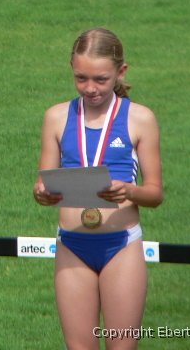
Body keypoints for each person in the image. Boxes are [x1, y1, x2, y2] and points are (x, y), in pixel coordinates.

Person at [33, 27, 163, 349]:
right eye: (81, 78)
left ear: (121, 72)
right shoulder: (56, 117)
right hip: (71, 244)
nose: (90, 88)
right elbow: (43, 184)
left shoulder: (140, 118)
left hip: (121, 245)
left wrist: (129, 191)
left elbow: (155, 193)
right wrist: (42, 194)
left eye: (101, 80)